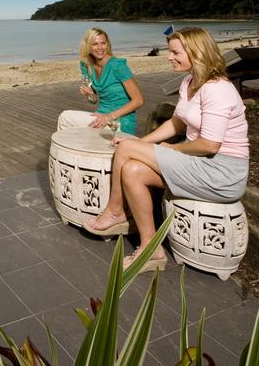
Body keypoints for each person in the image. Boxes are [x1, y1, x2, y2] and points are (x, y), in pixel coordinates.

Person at [82, 27, 249, 273]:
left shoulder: (217, 89)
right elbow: (176, 123)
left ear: (196, 52)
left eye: (175, 52)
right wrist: (144, 143)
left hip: (221, 172)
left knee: (127, 148)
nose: (169, 57)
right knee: (132, 169)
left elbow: (209, 144)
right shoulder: (189, 81)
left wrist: (174, 149)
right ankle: (151, 250)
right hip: (200, 164)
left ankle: (115, 212)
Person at [57, 28, 144, 136]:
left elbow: (139, 100)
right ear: (88, 46)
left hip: (120, 120)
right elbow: (94, 100)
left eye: (103, 43)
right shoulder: (86, 65)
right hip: (100, 116)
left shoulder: (118, 65)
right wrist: (89, 95)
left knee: (67, 121)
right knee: (65, 117)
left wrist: (109, 116)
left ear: (107, 44)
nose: (100, 48)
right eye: (95, 44)